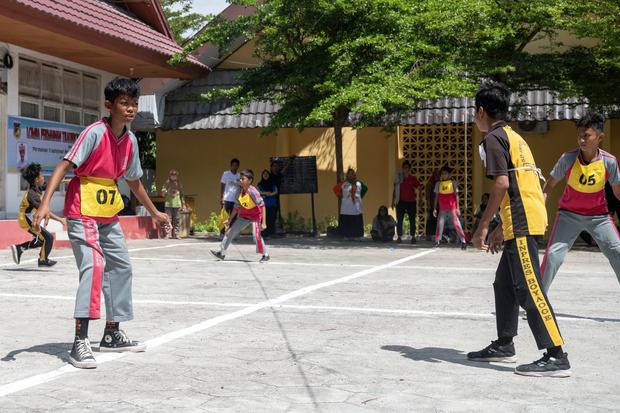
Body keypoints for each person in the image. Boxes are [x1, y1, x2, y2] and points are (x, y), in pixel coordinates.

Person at [33, 77, 170, 370]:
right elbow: (64, 165)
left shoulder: (131, 140)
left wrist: (153, 211)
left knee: (121, 266)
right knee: (94, 266)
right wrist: (45, 203)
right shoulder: (94, 133)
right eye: (124, 103)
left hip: (107, 215)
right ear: (109, 105)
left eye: (134, 103)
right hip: (82, 211)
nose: (130, 108)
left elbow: (133, 181)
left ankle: (112, 332)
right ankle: (79, 340)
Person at [469, 82, 569, 377]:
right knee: (504, 284)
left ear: (481, 111)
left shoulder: (493, 138)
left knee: (529, 289)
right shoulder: (514, 137)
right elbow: (517, 184)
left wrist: (483, 227)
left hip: (523, 219)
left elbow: (501, 184)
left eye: (474, 113)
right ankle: (504, 343)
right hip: (523, 215)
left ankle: (556, 354)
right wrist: (503, 227)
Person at [540, 112, 620, 293]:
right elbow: (548, 186)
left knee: (618, 253)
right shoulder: (567, 159)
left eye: (587, 136)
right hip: (568, 215)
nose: (582, 140)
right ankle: (536, 301)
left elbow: (617, 192)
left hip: (599, 217)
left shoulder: (609, 162)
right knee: (553, 256)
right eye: (579, 136)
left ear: (600, 137)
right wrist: (540, 209)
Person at [10, 163, 64, 266]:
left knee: (41, 240)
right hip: (26, 219)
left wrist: (61, 181)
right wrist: (60, 219)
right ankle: (43, 260)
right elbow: (44, 211)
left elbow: (49, 186)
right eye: (42, 175)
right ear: (36, 180)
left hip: (28, 218)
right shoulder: (32, 194)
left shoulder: (37, 188)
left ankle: (20, 248)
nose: (44, 177)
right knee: (48, 238)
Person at [210, 169, 269, 262]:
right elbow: (236, 207)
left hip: (255, 217)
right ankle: (222, 253)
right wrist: (229, 220)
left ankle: (265, 255)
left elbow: (262, 206)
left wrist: (264, 223)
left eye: (243, 179)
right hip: (244, 216)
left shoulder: (253, 191)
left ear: (249, 181)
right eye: (240, 179)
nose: (240, 180)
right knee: (230, 232)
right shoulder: (239, 192)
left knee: (256, 236)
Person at [433, 166, 466, 250]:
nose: (444, 175)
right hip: (442, 208)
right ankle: (437, 241)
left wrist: (457, 208)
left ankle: (463, 241)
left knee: (457, 224)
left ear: (449, 174)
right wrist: (434, 209)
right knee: (440, 224)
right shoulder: (438, 184)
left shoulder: (453, 183)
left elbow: (456, 195)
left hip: (452, 208)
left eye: (445, 173)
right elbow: (436, 197)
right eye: (442, 174)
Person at [392, 161, 422, 244]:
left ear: (409, 169)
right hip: (400, 202)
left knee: (412, 220)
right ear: (402, 168)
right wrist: (392, 201)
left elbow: (419, 187)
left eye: (407, 168)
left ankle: (413, 236)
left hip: (411, 202)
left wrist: (420, 199)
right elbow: (394, 190)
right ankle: (399, 236)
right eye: (404, 167)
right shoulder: (398, 178)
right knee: (400, 220)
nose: (405, 169)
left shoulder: (413, 178)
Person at [334, 168, 367, 240]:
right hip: (346, 207)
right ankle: (347, 235)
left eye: (352, 173)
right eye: (349, 173)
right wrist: (340, 196)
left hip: (356, 206)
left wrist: (359, 197)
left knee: (357, 220)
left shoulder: (359, 183)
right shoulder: (344, 183)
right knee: (347, 220)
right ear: (347, 175)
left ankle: (358, 235)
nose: (351, 175)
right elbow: (335, 189)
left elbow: (365, 189)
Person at [161, 169, 186, 239]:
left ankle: (176, 234)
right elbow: (163, 193)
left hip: (177, 204)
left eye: (175, 175)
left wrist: (183, 204)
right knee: (168, 219)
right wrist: (166, 191)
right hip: (168, 204)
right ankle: (167, 234)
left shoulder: (179, 183)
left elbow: (182, 195)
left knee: (177, 219)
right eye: (172, 175)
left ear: (177, 176)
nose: (173, 176)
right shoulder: (167, 183)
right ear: (170, 175)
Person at [220, 158, 241, 235]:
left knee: (233, 217)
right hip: (226, 199)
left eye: (236, 165)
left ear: (238, 166)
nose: (234, 167)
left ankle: (231, 234)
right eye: (233, 165)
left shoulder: (239, 175)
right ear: (231, 165)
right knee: (224, 216)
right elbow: (222, 186)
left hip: (235, 199)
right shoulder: (226, 174)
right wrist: (222, 198)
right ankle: (222, 233)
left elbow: (241, 186)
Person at [257, 169, 278, 237]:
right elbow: (258, 192)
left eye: (267, 174)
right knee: (264, 218)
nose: (265, 175)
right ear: (262, 176)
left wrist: (270, 194)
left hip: (272, 203)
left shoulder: (272, 183)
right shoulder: (260, 184)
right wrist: (265, 193)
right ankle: (264, 233)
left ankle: (271, 233)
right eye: (264, 174)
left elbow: (276, 191)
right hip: (264, 204)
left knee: (271, 218)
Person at [425, 166, 442, 241]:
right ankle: (429, 234)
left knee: (439, 220)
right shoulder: (430, 183)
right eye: (437, 174)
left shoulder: (442, 182)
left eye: (439, 174)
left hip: (441, 204)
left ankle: (438, 235)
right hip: (432, 204)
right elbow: (428, 194)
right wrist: (428, 204)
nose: (437, 175)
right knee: (431, 220)